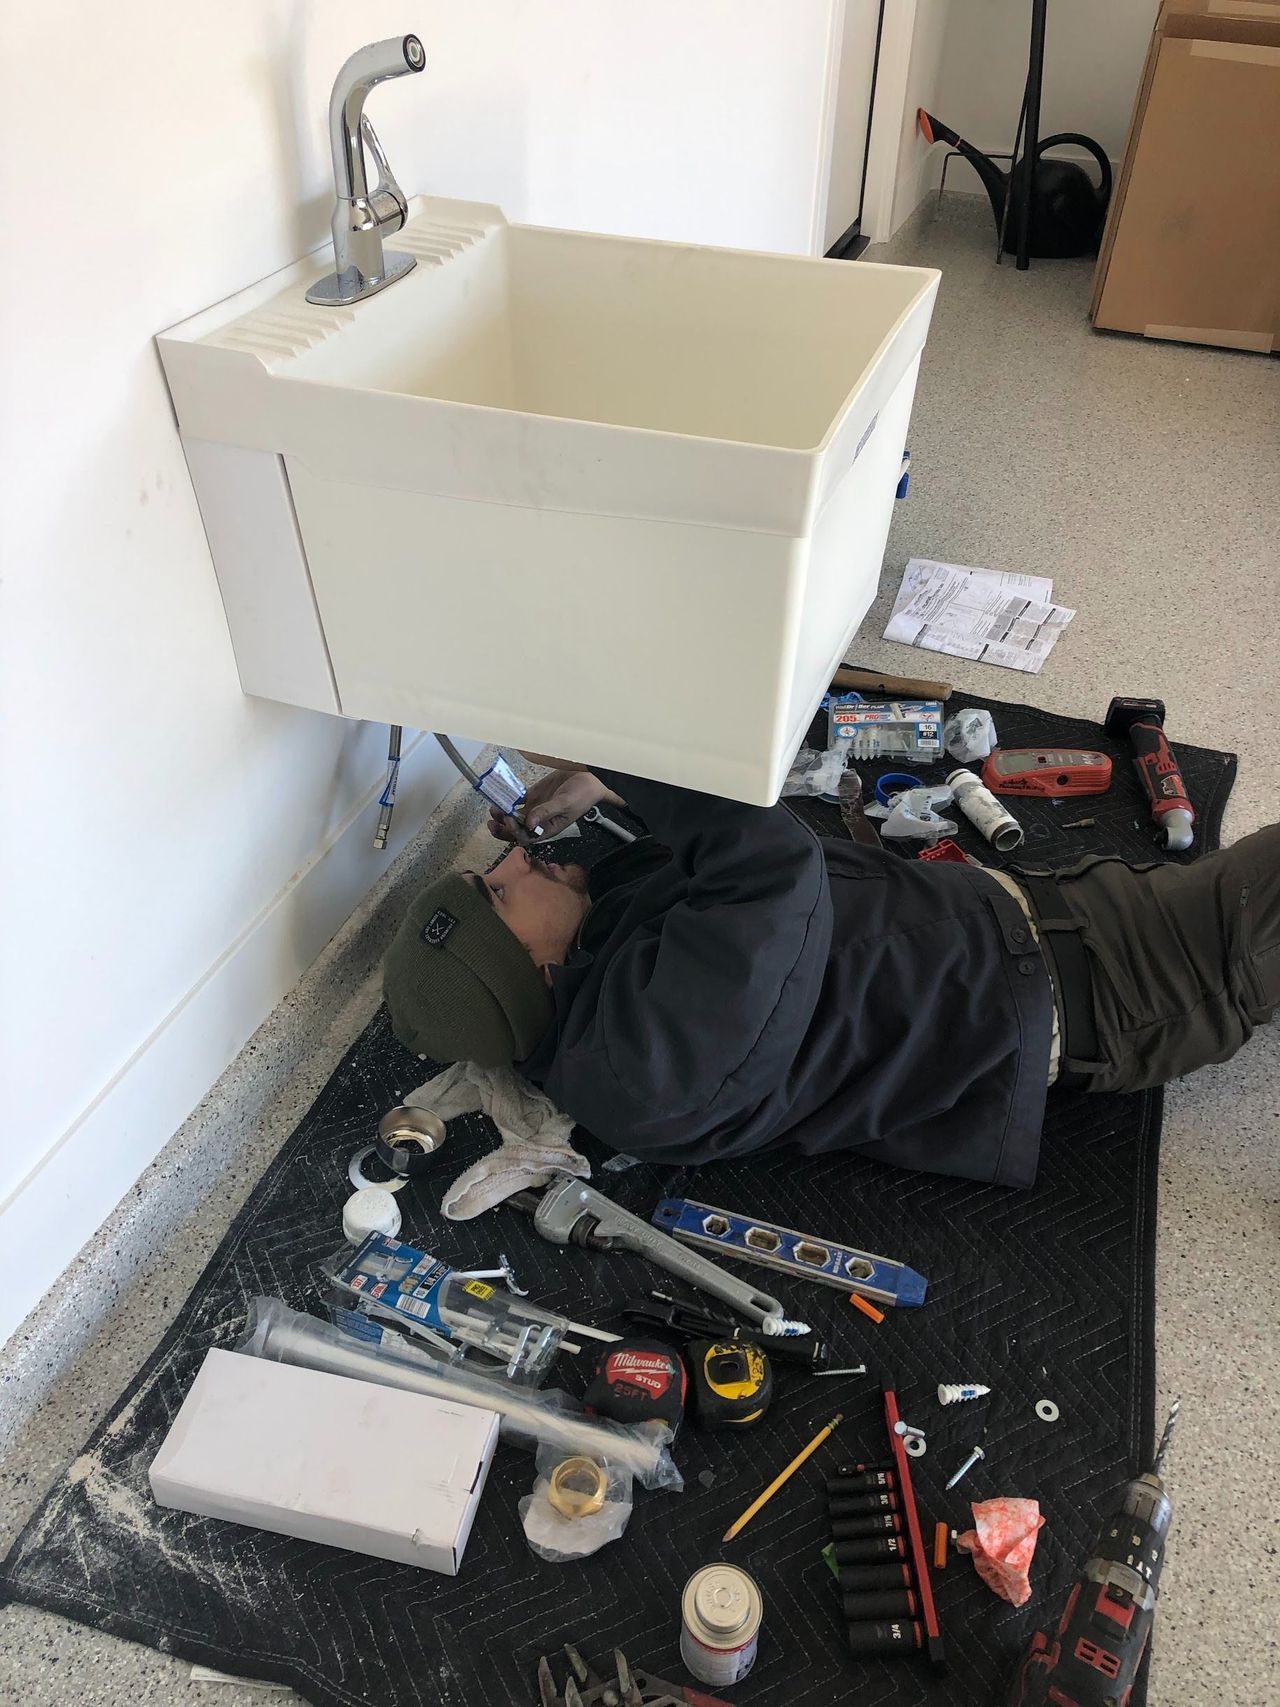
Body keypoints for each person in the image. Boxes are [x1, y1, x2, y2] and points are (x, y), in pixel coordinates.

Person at [382, 760, 1278, 1189]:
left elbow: (697, 872)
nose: (517, 861)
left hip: (1043, 920)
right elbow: (768, 866)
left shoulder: (600, 947)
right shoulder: (644, 1061)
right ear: (532, 972)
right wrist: (623, 757)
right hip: (1112, 985)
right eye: (500, 893)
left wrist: (603, 791)